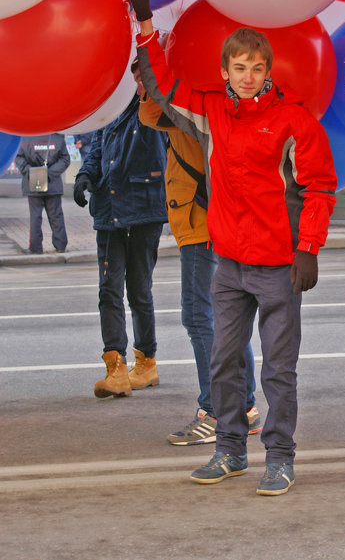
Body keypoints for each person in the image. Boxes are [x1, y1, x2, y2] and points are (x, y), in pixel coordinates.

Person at [127, 0, 337, 496]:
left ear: (269, 72)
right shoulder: (213, 111)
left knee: (278, 371)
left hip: (279, 267)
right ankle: (230, 450)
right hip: (229, 264)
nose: (247, 77)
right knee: (224, 362)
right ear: (225, 73)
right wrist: (147, 26)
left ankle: (281, 459)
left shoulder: (294, 121)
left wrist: (307, 248)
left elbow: (320, 187)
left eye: (256, 69)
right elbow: (163, 87)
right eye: (238, 68)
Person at [139, 90, 262, 444]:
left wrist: (153, 76)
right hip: (211, 219)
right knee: (226, 319)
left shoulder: (186, 104)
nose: (139, 83)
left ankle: (218, 410)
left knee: (200, 317)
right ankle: (244, 408)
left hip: (201, 221)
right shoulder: (206, 103)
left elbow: (148, 113)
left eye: (140, 75)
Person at [73, 58, 168, 399]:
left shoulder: (156, 110)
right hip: (110, 213)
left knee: (139, 291)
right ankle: (116, 368)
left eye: (145, 77)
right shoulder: (111, 109)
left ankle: (147, 362)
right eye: (136, 77)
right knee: (108, 291)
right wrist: (85, 177)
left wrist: (152, 92)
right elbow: (97, 149)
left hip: (144, 212)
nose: (140, 82)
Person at [15, 134, 70, 254]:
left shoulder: (25, 139)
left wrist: (32, 173)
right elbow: (65, 160)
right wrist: (48, 174)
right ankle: (60, 246)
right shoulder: (57, 138)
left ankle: (35, 248)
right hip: (53, 184)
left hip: (33, 184)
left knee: (35, 217)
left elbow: (19, 159)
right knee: (56, 215)